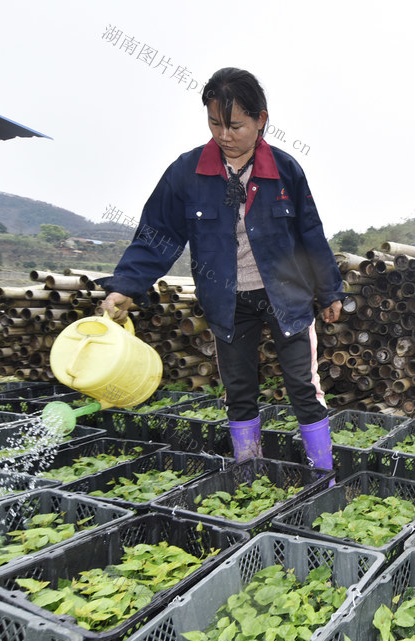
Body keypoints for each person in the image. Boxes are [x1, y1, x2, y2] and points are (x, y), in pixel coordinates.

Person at [98, 67, 343, 470]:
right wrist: (125, 285)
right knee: (239, 391)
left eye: (235, 125)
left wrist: (330, 290)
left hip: (286, 296)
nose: (224, 135)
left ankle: (325, 477)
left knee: (303, 387)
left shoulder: (285, 170)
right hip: (227, 301)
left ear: (261, 119)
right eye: (215, 123)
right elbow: (157, 234)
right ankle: (250, 472)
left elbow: (310, 233)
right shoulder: (187, 172)